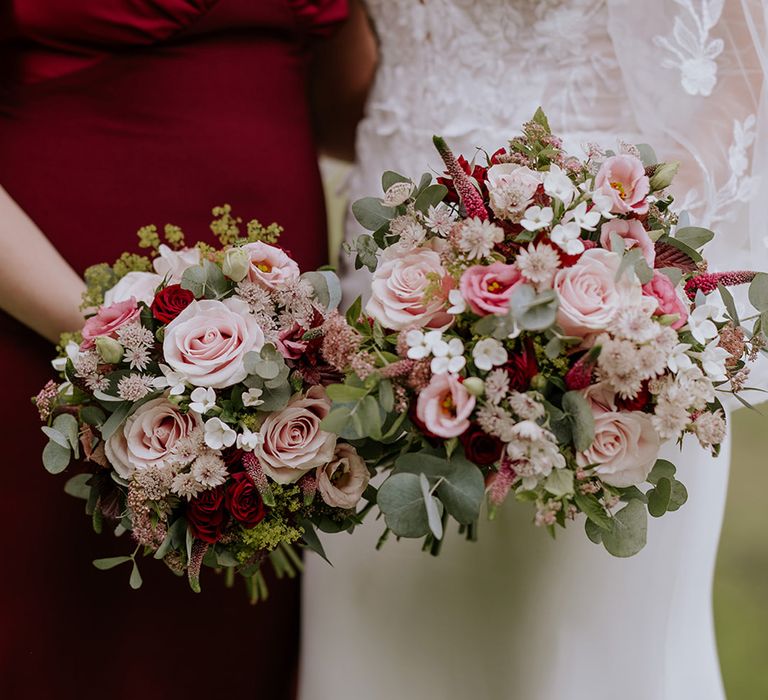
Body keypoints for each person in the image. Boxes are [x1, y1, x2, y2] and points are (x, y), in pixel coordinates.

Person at [300, 1, 767, 699]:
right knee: (386, 649)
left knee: (585, 655)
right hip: (383, 310)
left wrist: (628, 246)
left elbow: (748, 75)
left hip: (603, 309)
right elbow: (338, 81)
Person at [0, 1, 375, 698]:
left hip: (274, 354)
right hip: (44, 325)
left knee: (226, 644)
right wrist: (113, 340)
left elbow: (356, 105)